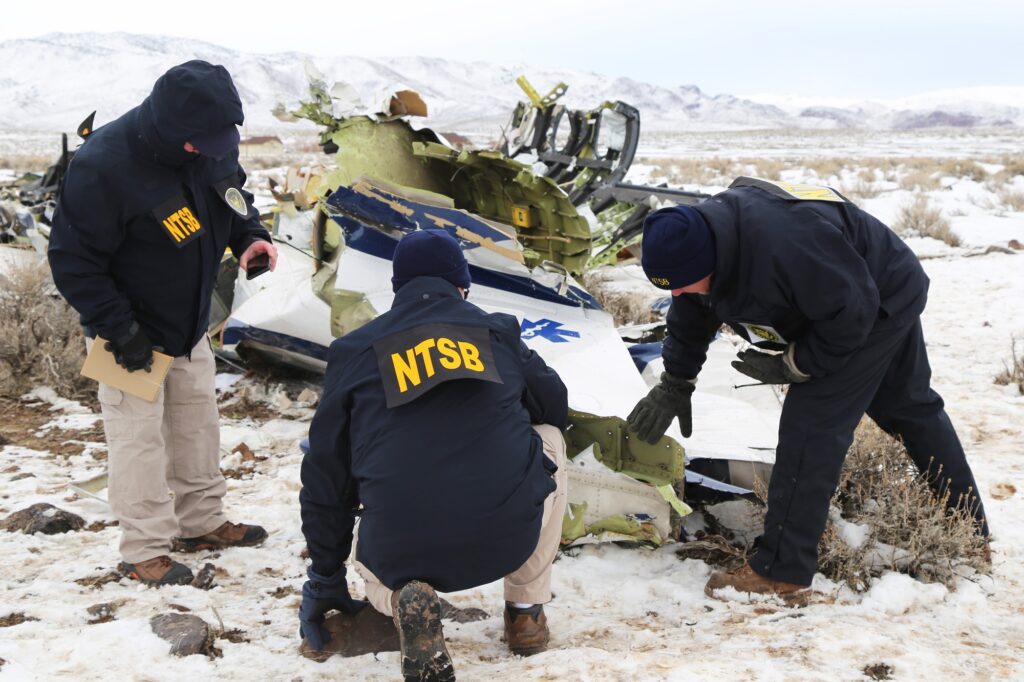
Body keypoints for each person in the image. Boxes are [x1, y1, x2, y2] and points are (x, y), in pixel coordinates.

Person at [628, 176, 989, 600]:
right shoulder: (697, 244)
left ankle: (781, 570)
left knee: (811, 424)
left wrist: (795, 363)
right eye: (674, 287)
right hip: (860, 287)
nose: (684, 293)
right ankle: (973, 529)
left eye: (689, 282)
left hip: (871, 303)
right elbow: (691, 310)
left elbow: (852, 314)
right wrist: (676, 381)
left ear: (713, 258)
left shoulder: (786, 245)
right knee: (911, 407)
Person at [298, 229, 568, 681]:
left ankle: (400, 600)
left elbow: (326, 475)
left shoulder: (354, 350)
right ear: (462, 285)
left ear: (397, 288)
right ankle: (525, 612)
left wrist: (326, 576)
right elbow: (553, 406)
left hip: (400, 549)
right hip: (506, 539)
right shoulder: (495, 330)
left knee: (345, 460)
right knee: (549, 438)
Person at [48, 61, 277, 586]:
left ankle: (201, 521)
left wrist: (251, 236)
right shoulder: (104, 165)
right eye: (200, 142)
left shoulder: (213, 144)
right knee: (137, 439)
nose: (210, 150)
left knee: (198, 425)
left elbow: (234, 197)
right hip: (126, 331)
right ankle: (144, 548)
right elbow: (72, 261)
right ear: (173, 129)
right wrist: (121, 331)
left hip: (189, 322)